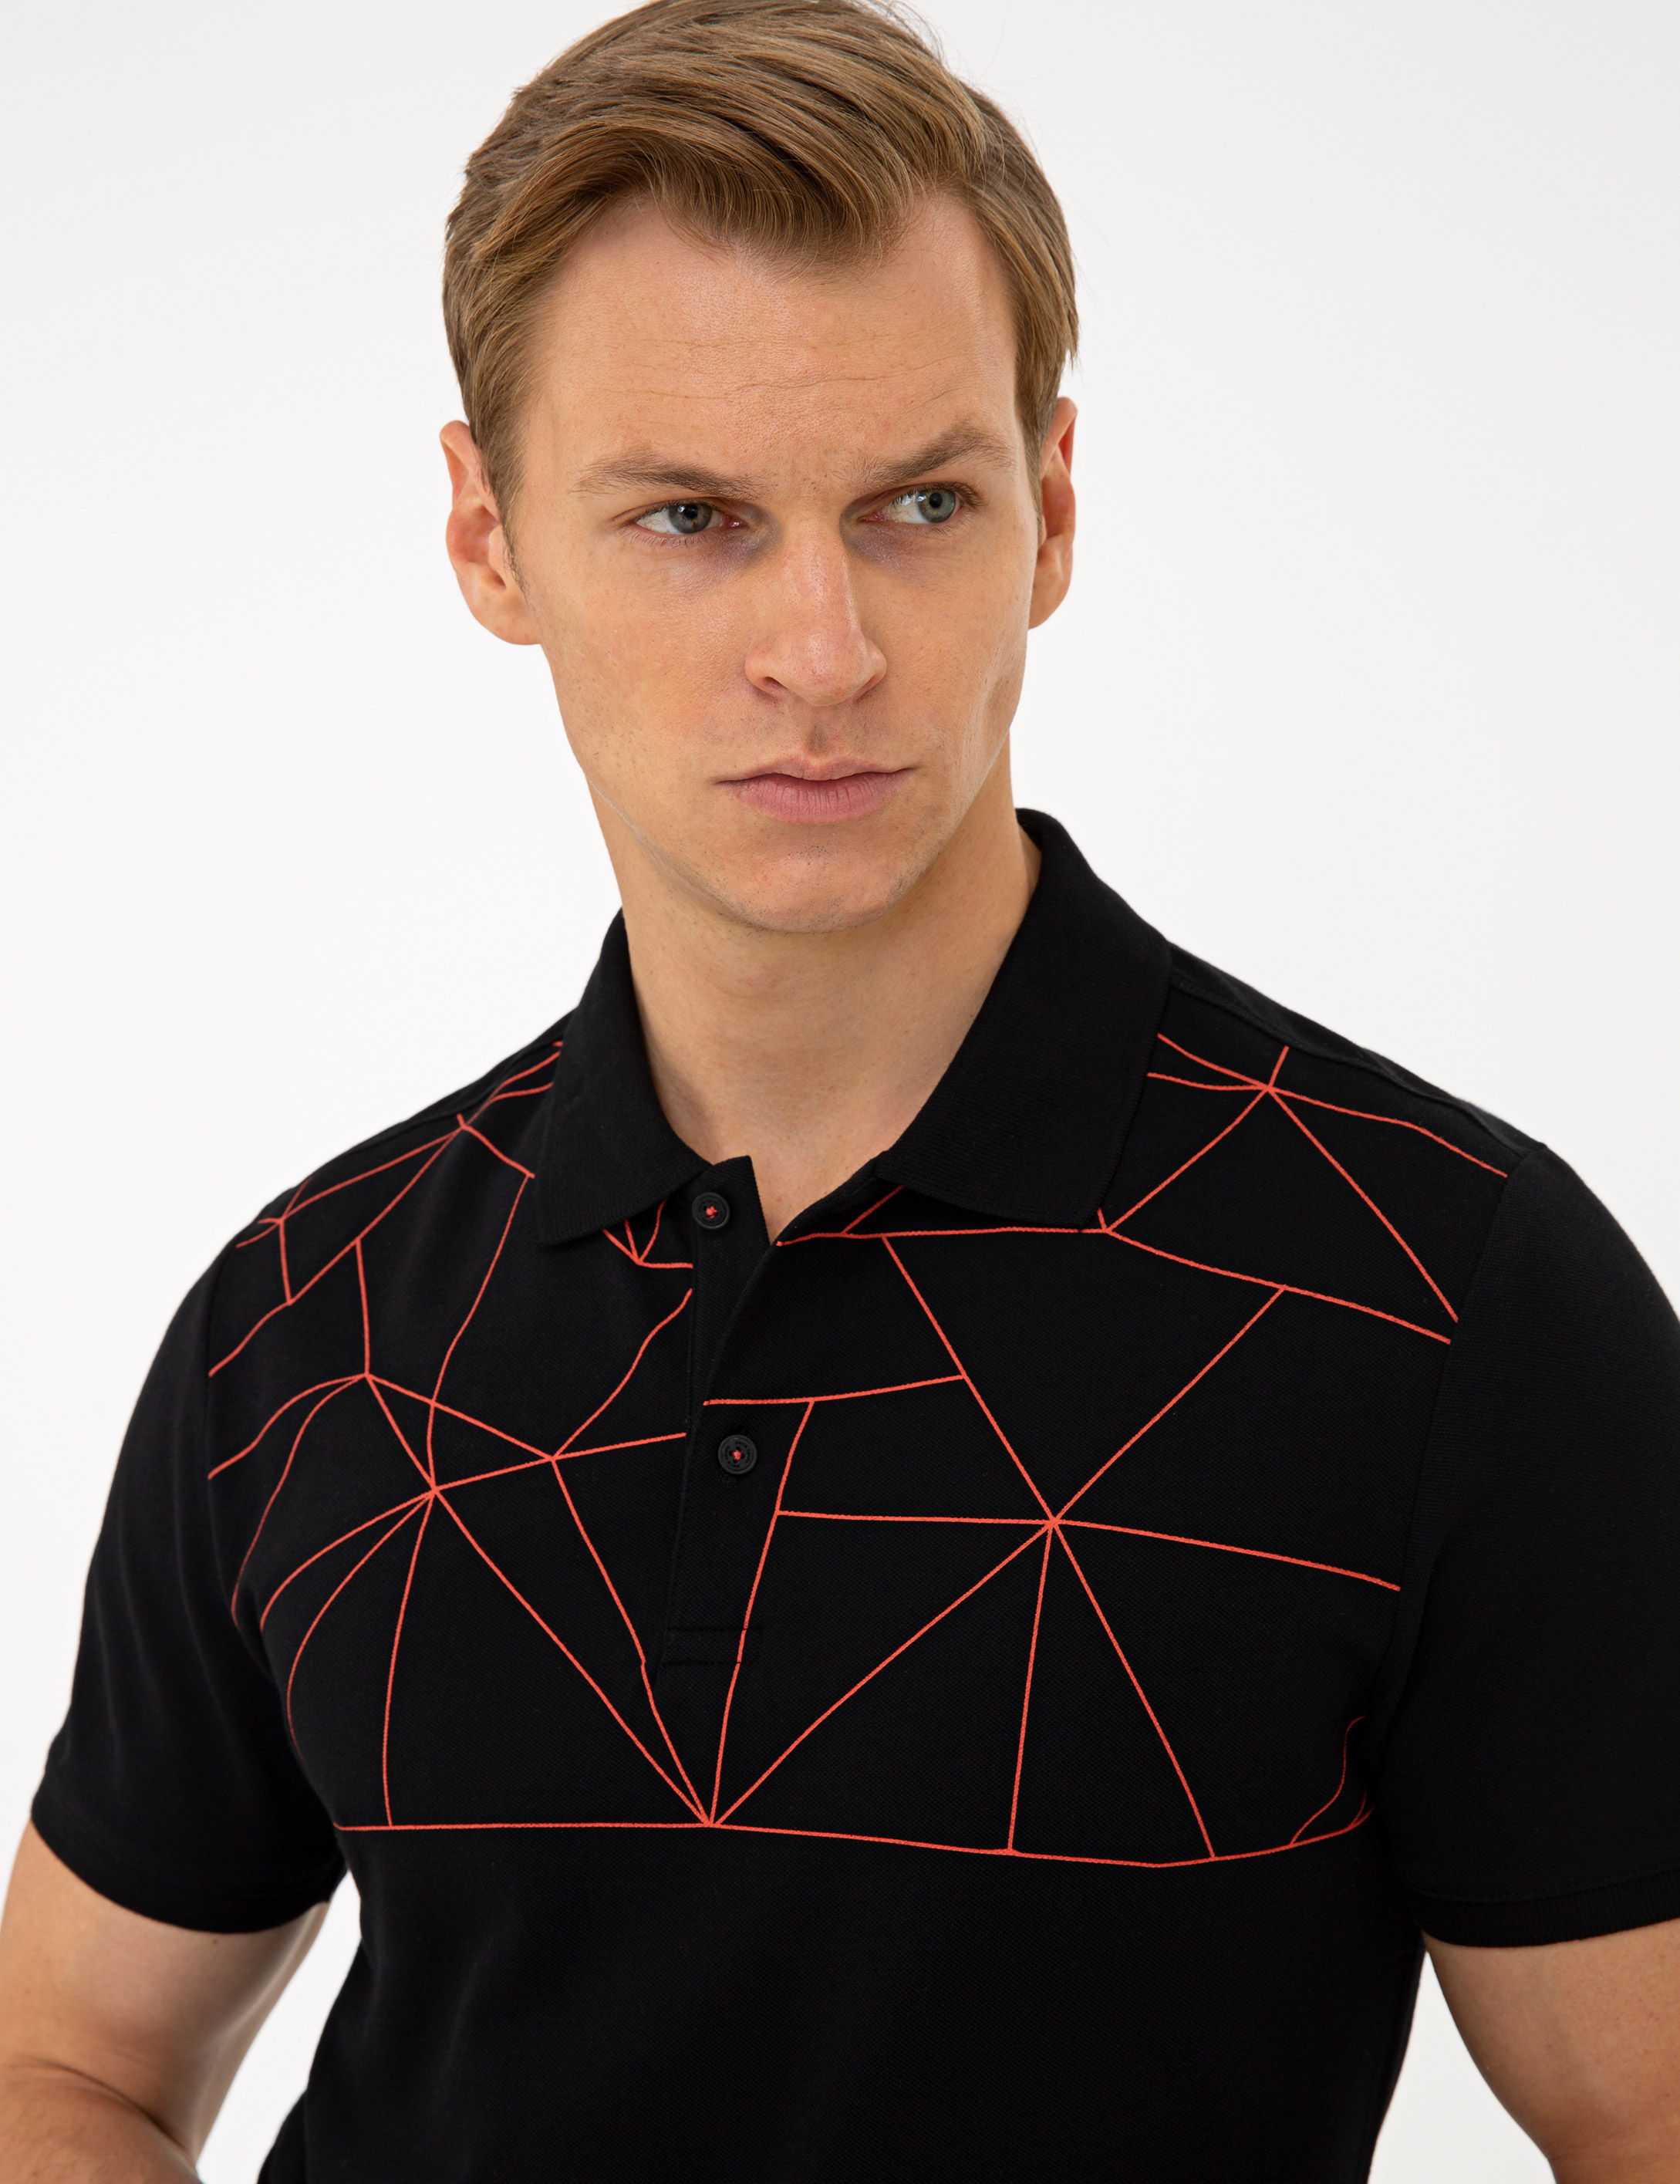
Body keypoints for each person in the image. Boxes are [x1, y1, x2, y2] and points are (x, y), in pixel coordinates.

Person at [2, 0, 1678, 2175]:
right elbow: (70, 2064)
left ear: (1048, 513)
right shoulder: (305, 1320)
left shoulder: (1450, 1293)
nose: (824, 649)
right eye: (691, 514)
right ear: (490, 539)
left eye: (916, 503)